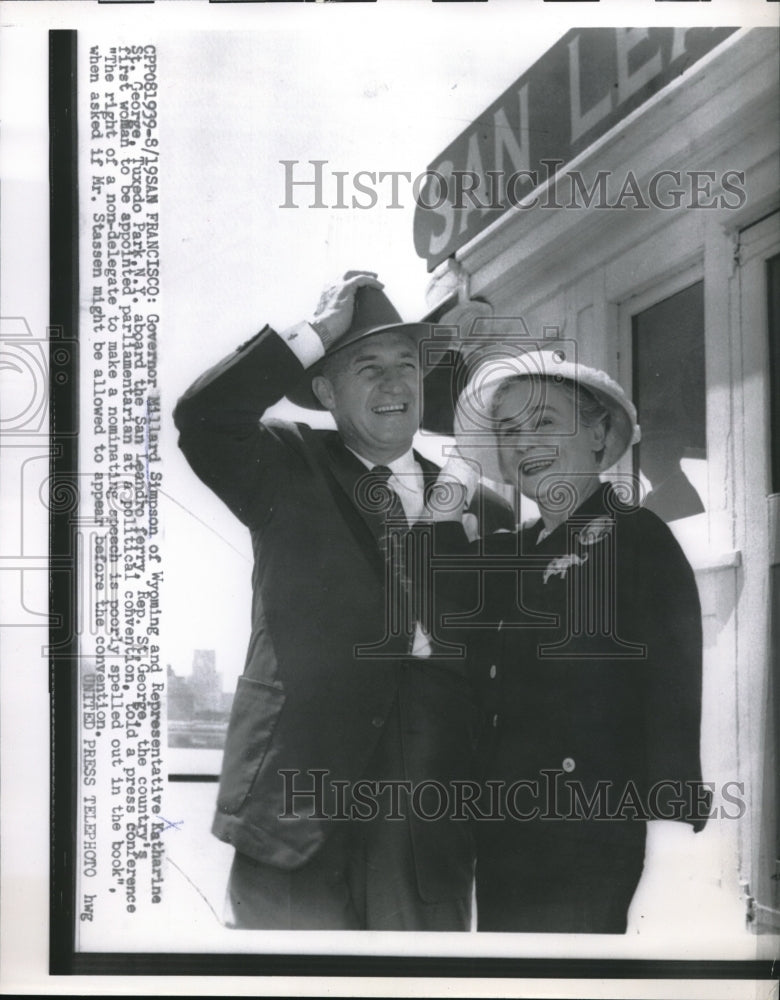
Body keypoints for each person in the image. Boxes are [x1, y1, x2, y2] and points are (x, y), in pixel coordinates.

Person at [173, 271, 513, 930]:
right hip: (294, 809)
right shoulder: (283, 463)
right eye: (367, 367)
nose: (394, 384)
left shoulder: (485, 511)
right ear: (324, 391)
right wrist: (316, 333)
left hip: (429, 821)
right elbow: (205, 418)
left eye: (406, 366)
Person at [425, 346, 710, 934]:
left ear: (600, 438)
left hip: (589, 832)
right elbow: (429, 566)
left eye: (545, 423)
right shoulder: (516, 548)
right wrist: (463, 468)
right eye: (509, 432)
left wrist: (674, 830)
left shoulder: (638, 538)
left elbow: (673, 689)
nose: (526, 443)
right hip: (506, 824)